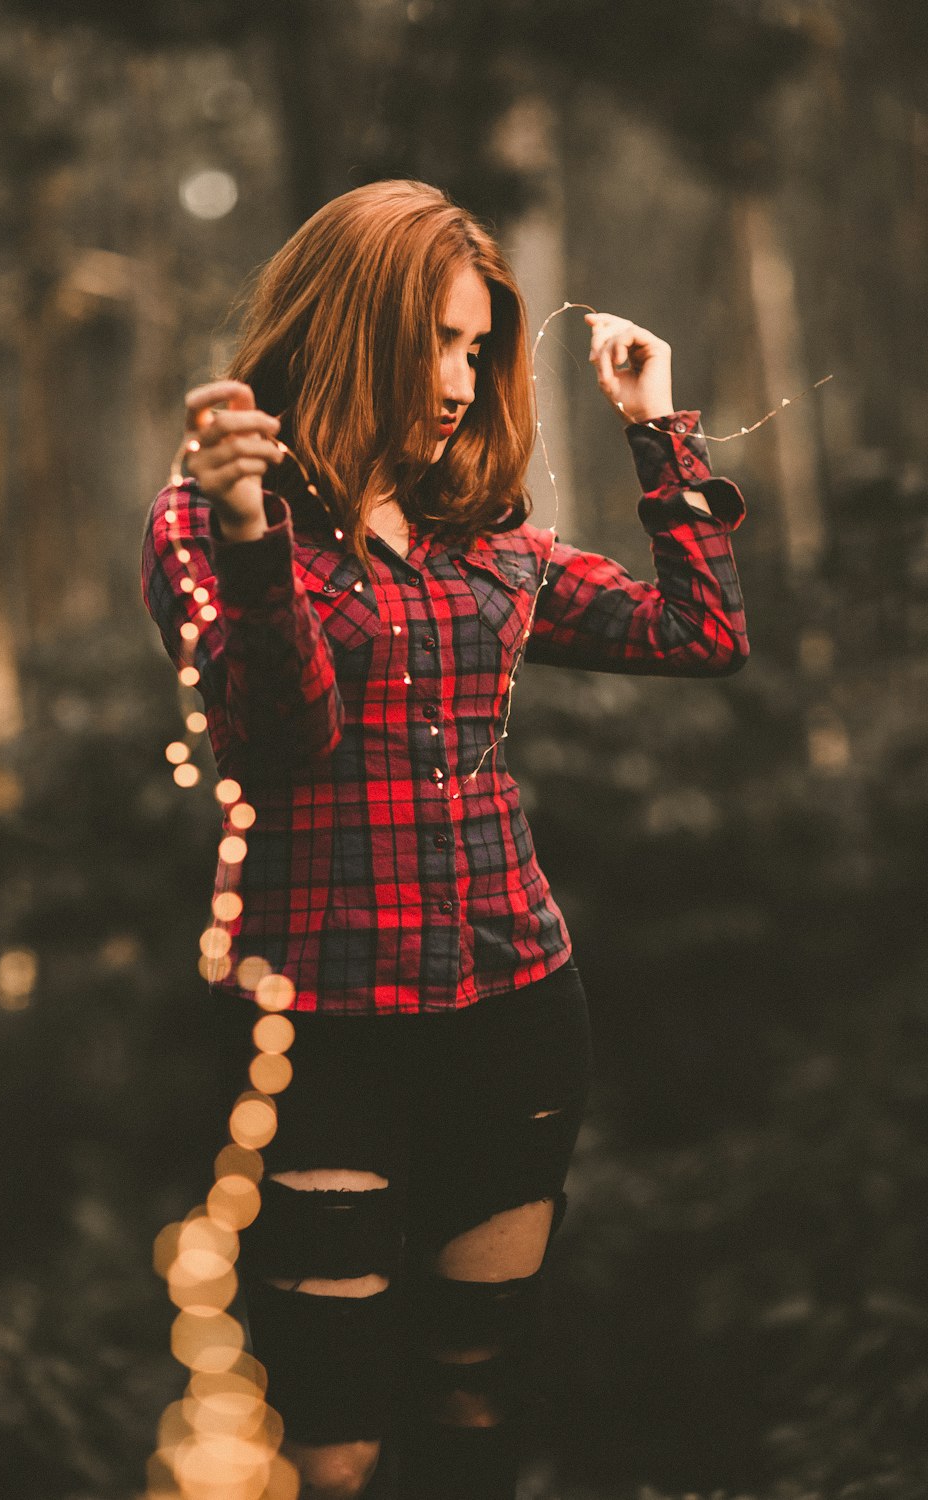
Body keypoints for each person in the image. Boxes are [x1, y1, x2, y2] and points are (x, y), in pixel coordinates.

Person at [141, 178, 748, 1500]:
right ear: (356, 322)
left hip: (517, 1012)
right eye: (440, 339)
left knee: (475, 1406)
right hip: (327, 1032)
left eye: (480, 344)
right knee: (334, 1434)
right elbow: (284, 737)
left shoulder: (486, 540)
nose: (465, 376)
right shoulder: (205, 524)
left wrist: (656, 431)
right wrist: (251, 537)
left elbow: (703, 636)